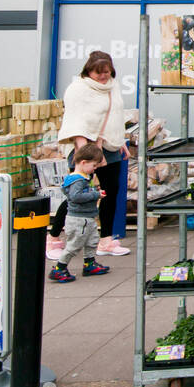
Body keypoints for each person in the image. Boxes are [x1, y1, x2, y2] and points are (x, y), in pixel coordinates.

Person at [55, 50, 131, 257]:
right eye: (99, 73)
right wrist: (83, 150)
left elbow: (115, 114)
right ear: (88, 71)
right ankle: (54, 238)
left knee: (110, 191)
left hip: (109, 145)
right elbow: (75, 120)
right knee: (76, 193)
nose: (104, 76)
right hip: (86, 147)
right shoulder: (78, 89)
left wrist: (120, 139)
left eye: (107, 72)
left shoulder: (112, 85)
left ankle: (106, 240)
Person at [49, 143, 111, 283]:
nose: (95, 169)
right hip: (79, 220)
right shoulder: (78, 180)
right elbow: (76, 197)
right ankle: (59, 268)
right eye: (94, 166)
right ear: (83, 162)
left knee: (92, 240)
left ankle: (89, 263)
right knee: (74, 245)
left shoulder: (81, 178)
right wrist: (95, 195)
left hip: (86, 218)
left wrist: (94, 192)